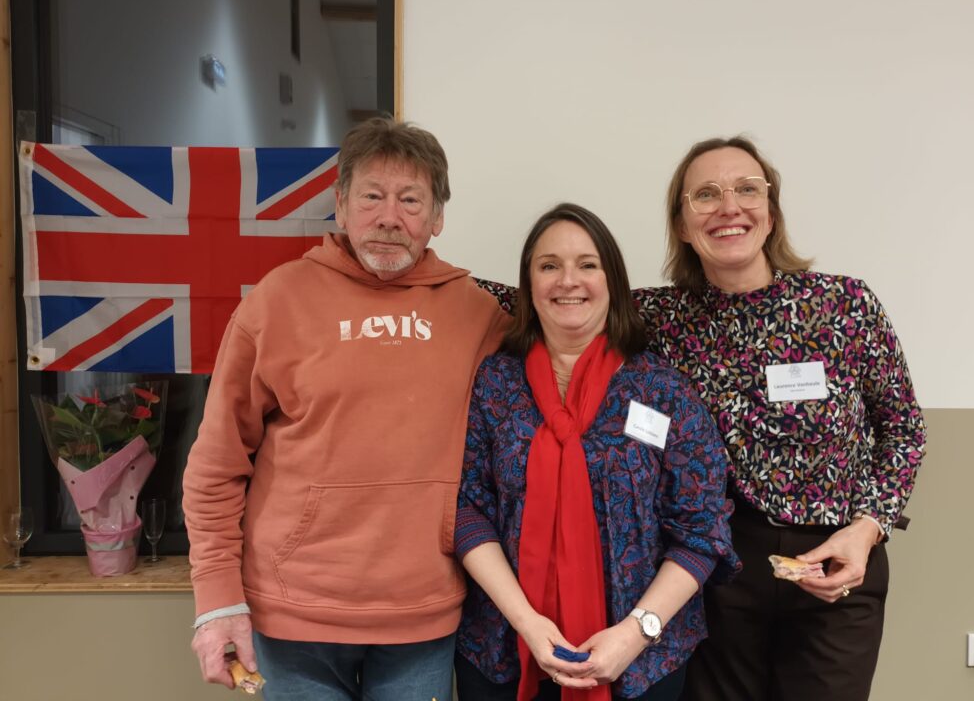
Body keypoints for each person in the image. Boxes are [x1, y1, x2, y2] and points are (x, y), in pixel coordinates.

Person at [182, 117, 508, 700]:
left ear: (437, 217)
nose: (389, 217)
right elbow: (216, 466)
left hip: (422, 615)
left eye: (411, 200)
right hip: (293, 614)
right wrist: (216, 600)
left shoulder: (480, 317)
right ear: (340, 205)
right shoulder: (276, 302)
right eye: (371, 196)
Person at [633, 136, 927, 701]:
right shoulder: (660, 318)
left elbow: (904, 430)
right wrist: (446, 277)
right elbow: (551, 293)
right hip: (719, 571)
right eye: (706, 195)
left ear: (770, 211)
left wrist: (868, 529)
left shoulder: (845, 305)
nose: (729, 207)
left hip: (836, 564)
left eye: (747, 189)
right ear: (681, 224)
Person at [454, 203, 739, 701]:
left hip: (639, 661)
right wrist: (526, 622)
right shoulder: (494, 383)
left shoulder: (663, 390)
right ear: (528, 284)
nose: (569, 281)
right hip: (505, 648)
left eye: (587, 264)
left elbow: (702, 530)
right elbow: (466, 508)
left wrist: (635, 633)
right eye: (549, 265)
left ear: (613, 281)